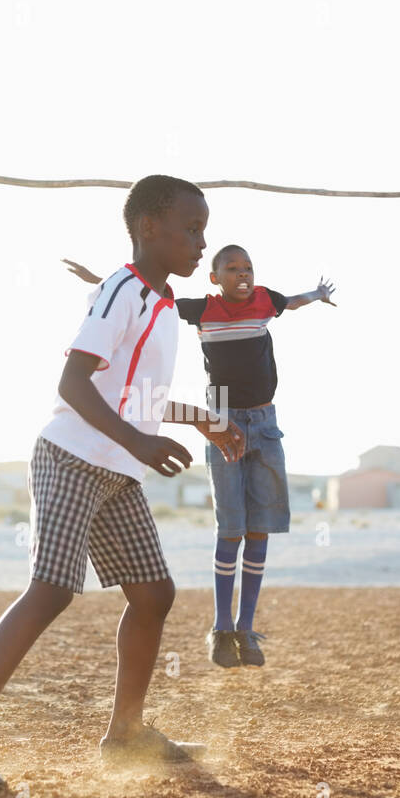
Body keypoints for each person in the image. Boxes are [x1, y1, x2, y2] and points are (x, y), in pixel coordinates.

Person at [0, 176, 246, 789]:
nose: (200, 242)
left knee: (154, 594)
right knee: (51, 590)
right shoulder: (120, 291)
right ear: (148, 228)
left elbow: (138, 398)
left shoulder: (161, 309)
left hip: (118, 471)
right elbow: (73, 385)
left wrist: (203, 419)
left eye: (204, 230)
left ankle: (126, 735)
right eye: (190, 228)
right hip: (72, 456)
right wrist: (139, 441)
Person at [65, 245, 336, 668]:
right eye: (232, 269)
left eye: (248, 268)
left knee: (259, 528)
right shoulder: (200, 308)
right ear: (215, 278)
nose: (242, 275)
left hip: (265, 422)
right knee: (231, 528)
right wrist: (98, 280)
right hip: (221, 416)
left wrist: (318, 294)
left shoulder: (267, 299)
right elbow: (147, 296)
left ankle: (246, 630)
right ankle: (221, 629)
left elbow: (295, 303)